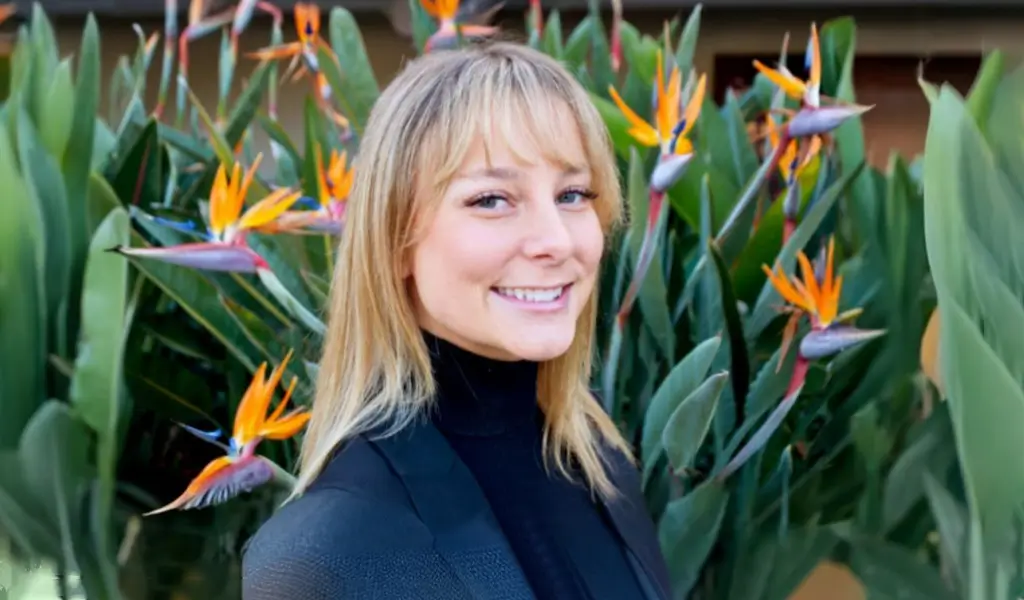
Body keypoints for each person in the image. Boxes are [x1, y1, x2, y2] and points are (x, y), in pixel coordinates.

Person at [240, 41, 672, 600]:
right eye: (492, 200)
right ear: (395, 241)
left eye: (572, 194)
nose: (556, 241)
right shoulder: (325, 554)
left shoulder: (600, 468)